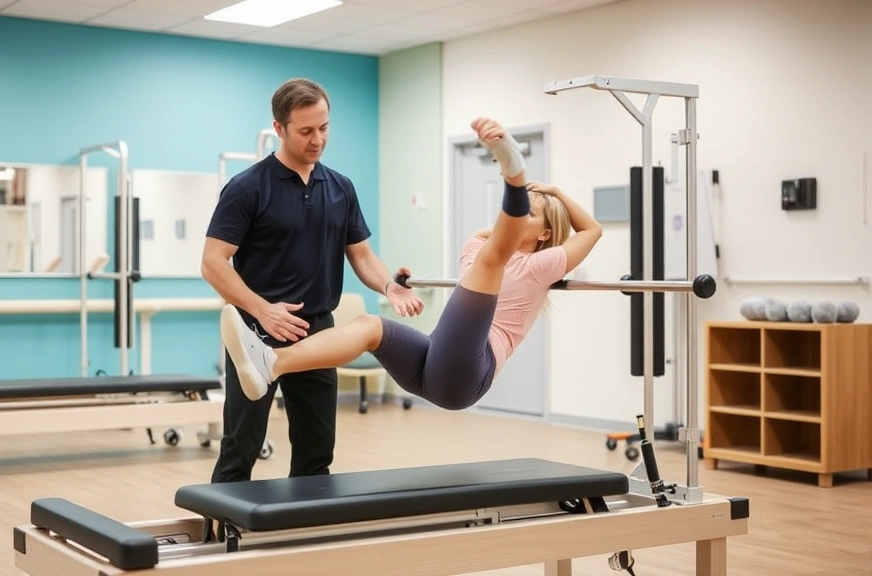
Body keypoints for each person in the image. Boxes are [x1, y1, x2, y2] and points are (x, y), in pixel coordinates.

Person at [219, 116, 603, 411]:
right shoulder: (477, 248)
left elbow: (592, 230)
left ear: (546, 233)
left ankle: (513, 171)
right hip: (438, 363)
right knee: (370, 326)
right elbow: (501, 233)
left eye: (534, 216)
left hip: (472, 369)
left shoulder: (542, 265)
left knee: (493, 261)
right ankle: (273, 362)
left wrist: (554, 191)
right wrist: (533, 208)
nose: (522, 220)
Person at [201, 77, 425, 482]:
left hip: (319, 330)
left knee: (317, 450)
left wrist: (388, 286)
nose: (317, 139)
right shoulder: (247, 188)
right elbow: (213, 263)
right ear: (279, 128)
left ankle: (304, 521)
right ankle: (221, 521)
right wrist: (263, 310)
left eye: (324, 128)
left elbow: (361, 255)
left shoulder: (340, 188)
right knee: (241, 446)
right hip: (257, 332)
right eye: (306, 130)